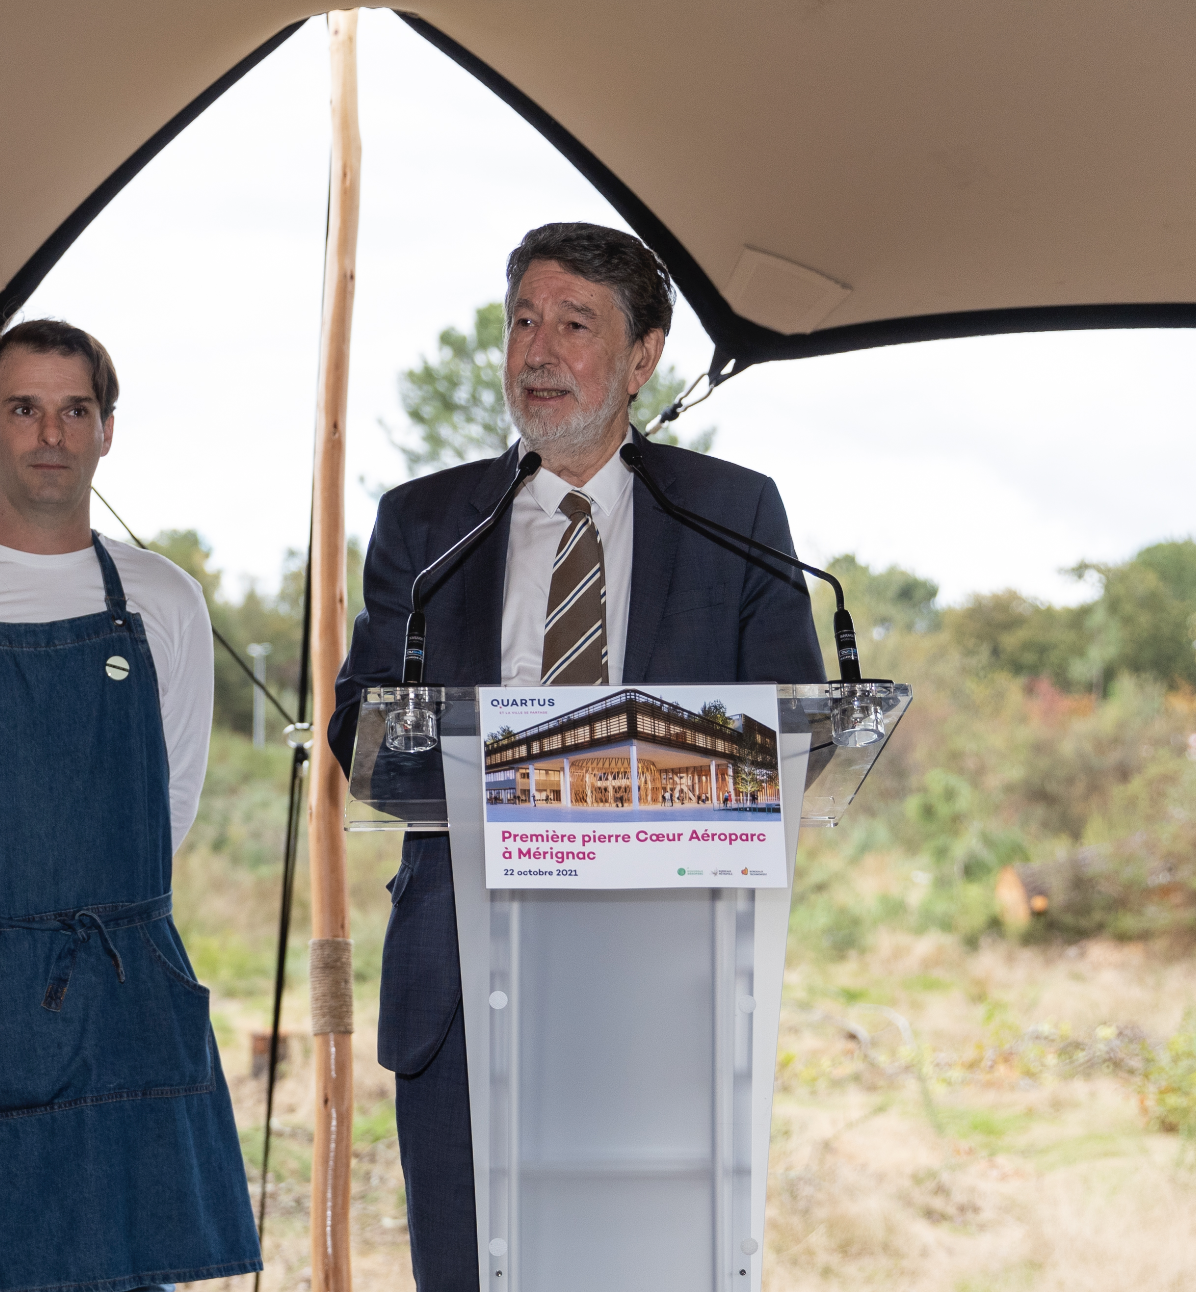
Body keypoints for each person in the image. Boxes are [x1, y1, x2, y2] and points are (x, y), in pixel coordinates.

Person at [329, 222, 825, 1291]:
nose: (537, 352)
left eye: (573, 325)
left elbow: (793, 735)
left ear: (642, 358)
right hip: (461, 976)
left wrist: (566, 779)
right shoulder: (427, 522)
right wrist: (535, 780)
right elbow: (361, 729)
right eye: (521, 322)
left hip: (661, 976)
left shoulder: (730, 512)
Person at [0, 320, 261, 1292]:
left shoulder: (163, 599)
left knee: (124, 1269)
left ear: (107, 430)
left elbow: (173, 798)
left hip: (122, 986)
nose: (50, 435)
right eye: (23, 408)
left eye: (75, 410)